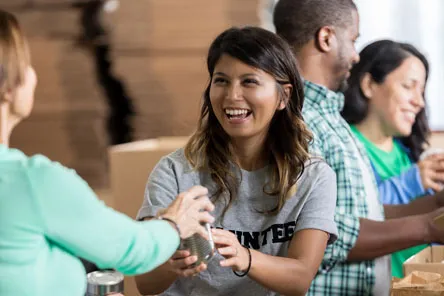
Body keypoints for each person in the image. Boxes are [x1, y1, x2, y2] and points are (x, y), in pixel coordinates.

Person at [0, 9, 214, 296]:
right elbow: (133, 250)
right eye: (27, 64)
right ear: (8, 88)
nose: (32, 74)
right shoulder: (31, 182)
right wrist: (174, 224)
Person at [135, 26, 338, 296]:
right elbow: (145, 284)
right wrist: (172, 262)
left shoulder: (313, 176)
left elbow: (300, 278)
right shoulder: (175, 171)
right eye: (221, 81)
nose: (232, 96)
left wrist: (245, 257)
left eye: (249, 81)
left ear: (284, 96)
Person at [273, 0, 444, 295]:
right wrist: (428, 226)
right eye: (353, 40)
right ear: (326, 38)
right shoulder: (298, 120)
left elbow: (365, 215)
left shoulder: (329, 119)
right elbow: (317, 233)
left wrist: (436, 204)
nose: (355, 56)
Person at [341, 40, 444, 278]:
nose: (419, 101)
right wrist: (412, 182)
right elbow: (354, 218)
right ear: (368, 85)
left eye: (422, 91)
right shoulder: (346, 147)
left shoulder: (407, 153)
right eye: (409, 86)